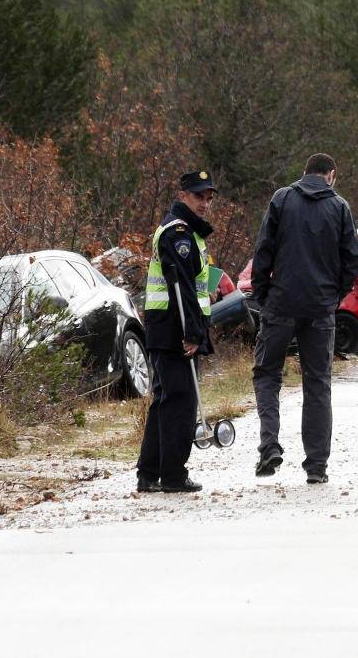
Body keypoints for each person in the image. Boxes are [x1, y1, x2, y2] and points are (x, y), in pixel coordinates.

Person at [250, 153, 358, 485]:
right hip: (319, 310)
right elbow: (352, 263)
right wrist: (332, 298)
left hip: (280, 305)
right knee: (317, 384)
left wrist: (263, 296)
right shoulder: (340, 207)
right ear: (331, 174)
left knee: (268, 374)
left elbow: (263, 250)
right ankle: (316, 466)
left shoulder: (282, 199)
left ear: (305, 173)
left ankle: (269, 446)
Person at [136, 170, 218, 494]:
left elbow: (192, 284)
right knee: (180, 400)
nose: (204, 204)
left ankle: (149, 473)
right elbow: (181, 287)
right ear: (183, 195)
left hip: (168, 326)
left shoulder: (189, 233)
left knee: (166, 399)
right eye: (199, 196)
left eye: (209, 198)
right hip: (174, 329)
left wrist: (206, 295)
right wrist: (192, 334)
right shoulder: (178, 232)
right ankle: (172, 474)